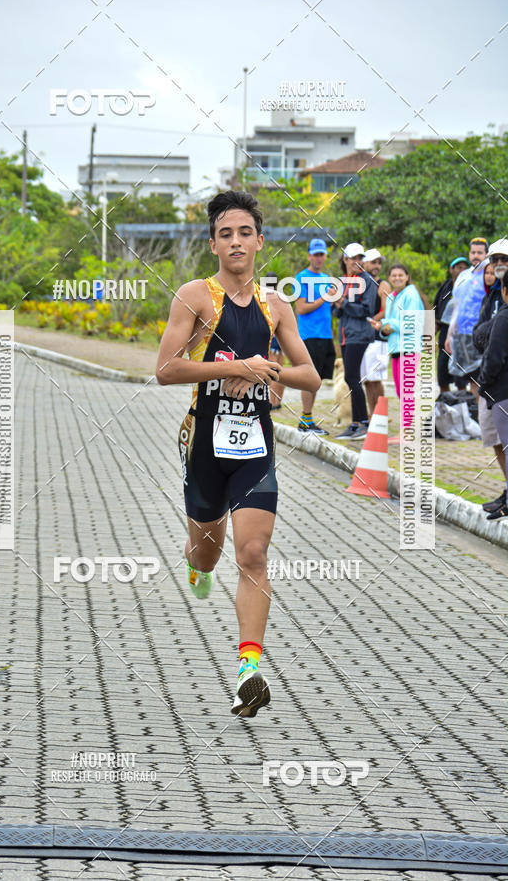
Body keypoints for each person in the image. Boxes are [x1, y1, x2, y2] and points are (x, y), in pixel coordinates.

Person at [156, 190, 321, 717]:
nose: (235, 242)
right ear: (212, 244)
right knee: (208, 550)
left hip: (255, 445)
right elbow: (166, 369)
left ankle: (249, 668)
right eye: (225, 233)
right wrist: (233, 367)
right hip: (204, 442)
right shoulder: (195, 297)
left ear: (259, 241)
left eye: (244, 232)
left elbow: (311, 376)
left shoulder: (276, 305)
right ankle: (195, 563)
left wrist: (264, 369)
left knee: (252, 554)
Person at [368, 264, 426, 441]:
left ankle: (407, 432)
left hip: (409, 348)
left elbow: (411, 322)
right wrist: (382, 327)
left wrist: (388, 325)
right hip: (397, 350)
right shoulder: (393, 296)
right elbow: (393, 322)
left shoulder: (411, 295)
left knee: (407, 392)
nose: (397, 278)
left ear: (407, 277)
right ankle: (407, 430)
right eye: (393, 275)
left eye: (401, 275)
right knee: (402, 392)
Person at [474, 239, 508, 515]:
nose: (499, 264)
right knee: (494, 439)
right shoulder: (491, 295)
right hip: (491, 381)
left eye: (504, 259)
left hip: (500, 382)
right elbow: (479, 335)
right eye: (495, 259)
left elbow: (494, 340)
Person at [332, 243, 378, 440]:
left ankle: (362, 422)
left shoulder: (367, 281)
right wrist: (337, 303)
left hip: (359, 334)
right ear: (345, 260)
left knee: (352, 377)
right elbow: (336, 312)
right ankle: (356, 423)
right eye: (353, 258)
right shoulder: (344, 281)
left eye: (360, 258)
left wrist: (344, 303)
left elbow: (368, 311)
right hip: (346, 333)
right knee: (351, 377)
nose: (357, 262)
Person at [295, 238, 335, 434]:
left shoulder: (327, 278)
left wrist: (337, 300)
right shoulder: (301, 277)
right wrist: (324, 298)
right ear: (309, 255)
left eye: (322, 254)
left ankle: (307, 419)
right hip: (310, 335)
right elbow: (301, 308)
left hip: (326, 335)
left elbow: (330, 308)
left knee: (318, 379)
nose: (319, 258)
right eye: (316, 254)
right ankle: (305, 420)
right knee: (310, 378)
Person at [445, 237, 489, 393]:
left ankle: (478, 414)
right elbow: (456, 306)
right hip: (460, 334)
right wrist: (450, 334)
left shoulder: (488, 275)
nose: (475, 256)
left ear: (486, 254)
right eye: (473, 252)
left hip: (479, 333)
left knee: (478, 379)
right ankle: (466, 413)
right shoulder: (464, 276)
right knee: (460, 378)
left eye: (479, 252)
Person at [361, 248, 391, 416]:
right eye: (373, 262)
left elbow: (386, 310)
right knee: (366, 380)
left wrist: (368, 319)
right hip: (364, 336)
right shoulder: (361, 282)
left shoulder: (383, 284)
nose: (377, 266)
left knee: (376, 378)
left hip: (377, 338)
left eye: (379, 263)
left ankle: (380, 416)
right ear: (364, 263)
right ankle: (372, 414)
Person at [434, 257, 469, 394]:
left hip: (462, 337)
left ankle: (463, 409)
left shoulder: (470, 286)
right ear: (451, 269)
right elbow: (436, 311)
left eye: (465, 268)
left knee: (461, 379)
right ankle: (446, 407)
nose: (462, 270)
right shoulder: (446, 287)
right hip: (444, 334)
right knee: (442, 376)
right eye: (458, 267)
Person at [264, 272, 286, 409]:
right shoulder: (281, 297)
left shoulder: (264, 297)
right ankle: (277, 401)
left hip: (272, 335)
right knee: (280, 369)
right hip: (281, 336)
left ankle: (272, 402)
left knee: (272, 369)